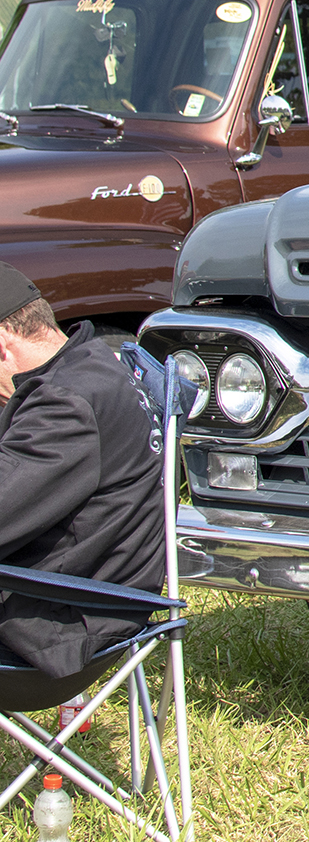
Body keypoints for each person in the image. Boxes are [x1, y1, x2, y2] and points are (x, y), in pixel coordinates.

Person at [0, 264, 164, 681]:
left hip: (53, 629)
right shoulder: (94, 364)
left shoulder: (65, 405)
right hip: (101, 606)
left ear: (3, 343)